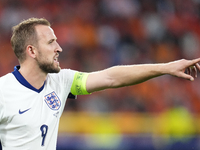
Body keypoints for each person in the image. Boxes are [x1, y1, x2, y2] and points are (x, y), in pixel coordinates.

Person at [0, 17, 200, 150]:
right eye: (51, 42)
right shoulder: (3, 92)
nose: (59, 48)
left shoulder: (61, 81)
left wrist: (165, 68)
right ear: (32, 51)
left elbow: (111, 77)